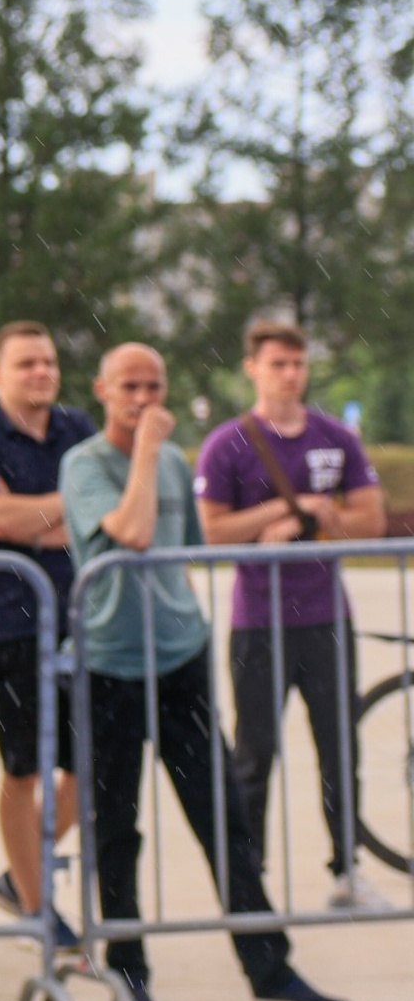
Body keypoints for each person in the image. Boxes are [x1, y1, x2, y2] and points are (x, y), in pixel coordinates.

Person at [60, 345, 341, 1001]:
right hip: (108, 664)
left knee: (223, 817)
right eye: (130, 386)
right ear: (103, 389)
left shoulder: (178, 460)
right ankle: (128, 967)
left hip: (177, 656)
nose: (144, 398)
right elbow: (131, 532)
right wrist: (148, 451)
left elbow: (179, 548)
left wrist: (186, 612)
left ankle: (268, 966)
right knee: (117, 824)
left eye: (154, 385)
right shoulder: (84, 464)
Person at [197, 316, 385, 912]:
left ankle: (345, 868)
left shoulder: (336, 438)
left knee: (338, 748)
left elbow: (371, 522)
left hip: (327, 616)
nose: (290, 375)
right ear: (252, 368)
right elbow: (212, 531)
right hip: (259, 620)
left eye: (298, 364)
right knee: (255, 753)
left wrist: (321, 516)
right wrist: (275, 519)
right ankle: (250, 878)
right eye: (277, 364)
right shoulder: (227, 443)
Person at [0, 321, 92, 942]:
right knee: (23, 767)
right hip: (11, 620)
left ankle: (19, 874)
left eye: (48, 361)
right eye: (27, 362)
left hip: (84, 615)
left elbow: (96, 508)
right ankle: (38, 908)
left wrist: (36, 512)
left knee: (92, 761)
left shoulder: (78, 427)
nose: (41, 372)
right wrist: (73, 504)